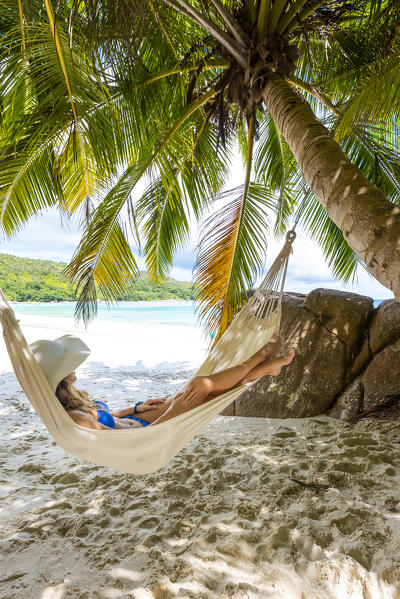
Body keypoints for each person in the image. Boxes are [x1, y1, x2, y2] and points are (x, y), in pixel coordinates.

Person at [30, 333, 294, 431]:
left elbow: (108, 417)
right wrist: (174, 413)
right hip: (152, 430)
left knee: (208, 393)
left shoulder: (72, 402)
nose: (76, 368)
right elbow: (128, 445)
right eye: (70, 367)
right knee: (202, 386)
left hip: (145, 419)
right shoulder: (77, 420)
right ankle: (260, 359)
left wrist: (136, 408)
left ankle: (262, 369)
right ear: (60, 377)